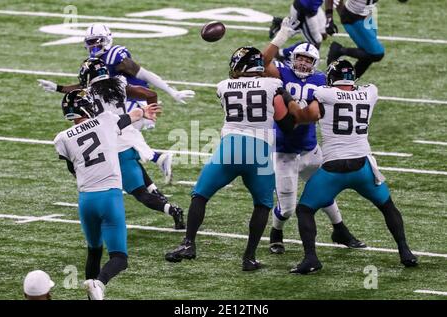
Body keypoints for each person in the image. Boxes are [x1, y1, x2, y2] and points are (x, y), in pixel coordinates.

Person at [165, 46, 298, 271]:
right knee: (263, 204)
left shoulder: (223, 86)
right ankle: (249, 257)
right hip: (260, 151)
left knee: (200, 194)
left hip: (231, 147)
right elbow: (287, 120)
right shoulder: (274, 85)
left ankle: (188, 244)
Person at [282, 59, 417, 274]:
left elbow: (302, 117)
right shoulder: (370, 92)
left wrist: (287, 97)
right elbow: (357, 89)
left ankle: (311, 258)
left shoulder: (323, 94)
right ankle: (405, 252)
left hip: (333, 169)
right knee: (388, 206)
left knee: (305, 210)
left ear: (332, 79)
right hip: (362, 166)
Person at [38, 23, 195, 183]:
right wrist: (58, 88)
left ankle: (145, 181)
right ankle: (157, 162)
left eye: (98, 40)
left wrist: (172, 92)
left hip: (134, 102)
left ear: (107, 39)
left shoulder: (115, 56)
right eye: (91, 42)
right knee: (116, 140)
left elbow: (146, 75)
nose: (94, 45)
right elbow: (87, 86)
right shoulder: (94, 63)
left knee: (111, 138)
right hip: (120, 102)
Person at [54, 89, 161, 299]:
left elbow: (72, 169)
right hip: (110, 197)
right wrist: (144, 110)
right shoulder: (105, 121)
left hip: (86, 200)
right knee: (119, 258)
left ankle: (92, 294)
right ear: (87, 106)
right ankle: (100, 283)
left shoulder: (62, 138)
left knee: (94, 252)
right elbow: (130, 117)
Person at [262, 39, 365, 253]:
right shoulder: (281, 74)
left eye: (307, 60)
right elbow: (264, 63)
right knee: (288, 208)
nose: (302, 63)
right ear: (292, 59)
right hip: (284, 152)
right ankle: (276, 232)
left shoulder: (322, 81)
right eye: (299, 58)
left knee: (324, 193)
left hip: (310, 149)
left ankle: (340, 230)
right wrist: (280, 37)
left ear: (315, 63)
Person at [78, 58, 185, 229]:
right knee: (145, 183)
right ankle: (168, 201)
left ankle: (172, 210)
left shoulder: (87, 95)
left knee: (140, 194)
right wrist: (152, 114)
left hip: (116, 147)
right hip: (132, 140)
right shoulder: (119, 84)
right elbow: (149, 94)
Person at [325, 0, 385, 79]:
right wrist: (329, 18)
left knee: (368, 54)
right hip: (354, 17)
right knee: (376, 54)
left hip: (367, 15)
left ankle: (349, 82)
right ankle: (339, 50)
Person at [269, 0, 337, 49]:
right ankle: (283, 53)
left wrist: (329, 18)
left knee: (323, 35)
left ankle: (282, 24)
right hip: (304, 11)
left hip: (314, 9)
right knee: (316, 42)